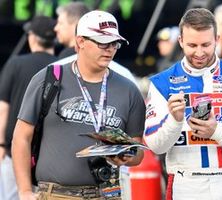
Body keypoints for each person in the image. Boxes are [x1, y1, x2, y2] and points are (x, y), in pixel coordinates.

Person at [12, 10, 146, 200]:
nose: (110, 49)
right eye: (102, 42)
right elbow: (21, 137)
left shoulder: (129, 90)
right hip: (57, 194)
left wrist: (126, 156)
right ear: (80, 41)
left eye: (114, 43)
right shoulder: (48, 78)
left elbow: (138, 152)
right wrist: (25, 191)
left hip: (108, 193)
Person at [143, 8, 222, 200]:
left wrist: (216, 131)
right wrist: (174, 121)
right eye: (192, 45)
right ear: (181, 41)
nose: (199, 52)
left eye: (206, 44)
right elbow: (154, 146)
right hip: (185, 183)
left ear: (217, 39)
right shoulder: (162, 82)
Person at [0, 15, 57, 200]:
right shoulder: (60, 67)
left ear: (32, 37)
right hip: (50, 152)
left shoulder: (16, 63)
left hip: (14, 149)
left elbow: (2, 107)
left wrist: (0, 143)